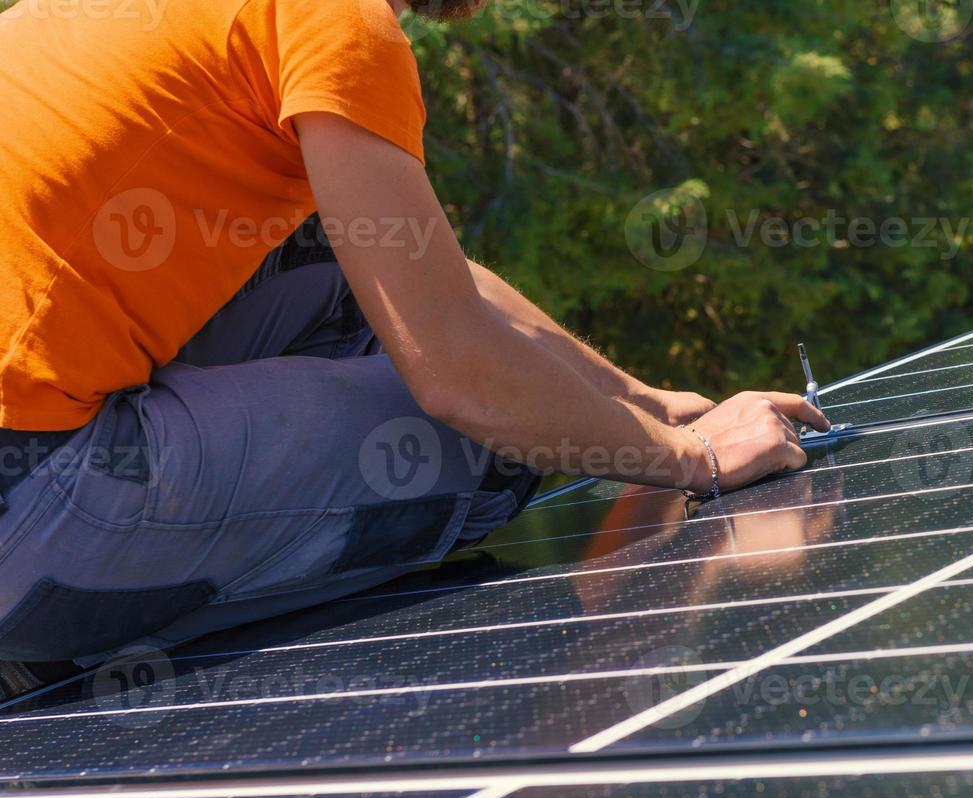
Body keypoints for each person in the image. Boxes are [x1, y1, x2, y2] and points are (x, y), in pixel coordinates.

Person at [0, 0, 828, 697]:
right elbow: (465, 377)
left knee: (327, 270)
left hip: (35, 435)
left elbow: (429, 287)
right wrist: (691, 461)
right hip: (31, 499)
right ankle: (80, 636)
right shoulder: (337, 22)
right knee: (492, 446)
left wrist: (642, 403)